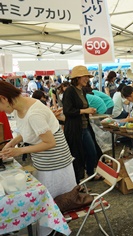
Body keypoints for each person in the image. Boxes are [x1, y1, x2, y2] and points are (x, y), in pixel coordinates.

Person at [0, 81, 76, 235]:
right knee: (45, 199)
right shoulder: (17, 106)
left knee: (51, 201)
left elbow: (50, 142)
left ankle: (52, 230)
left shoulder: (34, 113)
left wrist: (19, 151)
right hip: (43, 159)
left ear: (3, 98)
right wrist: (12, 143)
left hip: (55, 161)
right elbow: (26, 130)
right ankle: (50, 227)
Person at [63, 65, 103, 183]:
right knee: (77, 154)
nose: (87, 79)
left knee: (92, 152)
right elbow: (68, 111)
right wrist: (85, 111)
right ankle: (78, 182)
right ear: (77, 78)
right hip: (75, 129)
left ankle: (90, 174)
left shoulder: (82, 91)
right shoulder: (70, 91)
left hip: (85, 127)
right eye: (85, 77)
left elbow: (81, 107)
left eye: (87, 77)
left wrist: (89, 110)